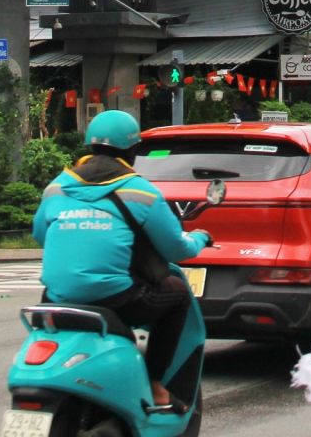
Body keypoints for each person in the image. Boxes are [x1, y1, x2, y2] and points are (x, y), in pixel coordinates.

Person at [33, 110, 211, 410]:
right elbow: (177, 249)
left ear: (89, 145)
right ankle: (155, 385)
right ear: (133, 150)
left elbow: (41, 235)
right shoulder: (140, 192)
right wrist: (201, 238)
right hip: (114, 299)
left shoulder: (56, 187)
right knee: (178, 294)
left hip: (55, 298)